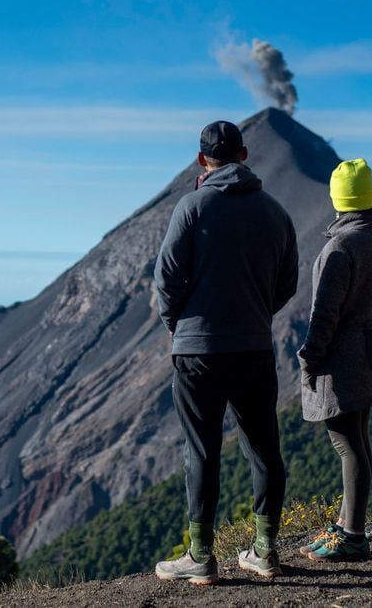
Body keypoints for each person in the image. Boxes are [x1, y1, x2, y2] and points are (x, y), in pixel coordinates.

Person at [153, 120, 298, 584]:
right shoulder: (276, 212)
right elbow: (287, 284)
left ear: (201, 161)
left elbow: (167, 280)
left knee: (203, 453)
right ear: (245, 155)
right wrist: (255, 313)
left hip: (198, 354)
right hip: (253, 349)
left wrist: (180, 326)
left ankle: (200, 556)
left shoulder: (192, 207)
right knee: (264, 451)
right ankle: (266, 551)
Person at [297, 158, 372, 562]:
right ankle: (344, 526)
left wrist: (309, 358)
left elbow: (325, 315)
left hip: (342, 357)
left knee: (346, 445)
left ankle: (353, 535)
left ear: (339, 200)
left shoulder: (339, 248)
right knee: (359, 440)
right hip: (369, 349)